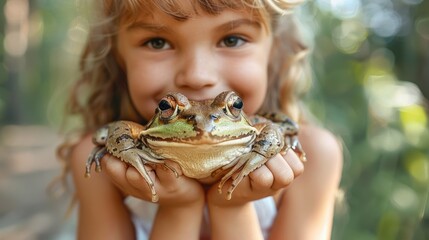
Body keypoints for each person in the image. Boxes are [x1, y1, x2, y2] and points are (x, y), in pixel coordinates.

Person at [58, 0, 343, 239]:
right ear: (118, 59)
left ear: (275, 52)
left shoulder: (312, 156)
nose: (196, 75)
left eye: (232, 39)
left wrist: (231, 205)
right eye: (157, 42)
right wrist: (179, 206)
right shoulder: (105, 160)